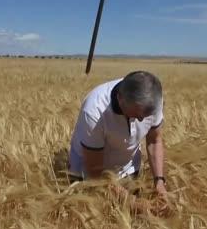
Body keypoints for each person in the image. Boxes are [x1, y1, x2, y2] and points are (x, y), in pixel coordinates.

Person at [67, 71, 169, 210]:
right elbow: (94, 171)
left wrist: (159, 181)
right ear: (120, 98)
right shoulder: (94, 111)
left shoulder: (153, 101)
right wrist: (130, 202)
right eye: (136, 114)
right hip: (88, 176)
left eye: (146, 115)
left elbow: (154, 140)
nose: (140, 120)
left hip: (128, 170)